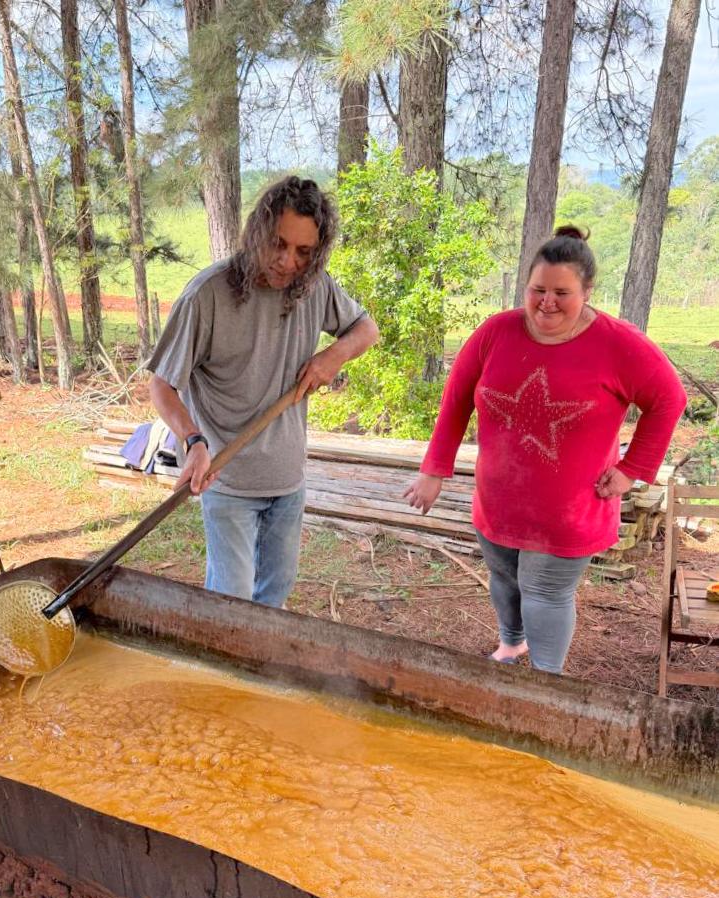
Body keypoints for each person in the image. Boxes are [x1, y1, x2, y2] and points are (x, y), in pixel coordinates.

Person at [404, 226, 687, 674]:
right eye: (538, 289)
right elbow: (456, 398)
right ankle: (512, 644)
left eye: (562, 292)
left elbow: (670, 398)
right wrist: (434, 469)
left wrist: (632, 469)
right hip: (498, 501)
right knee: (505, 580)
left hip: (570, 509)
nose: (547, 302)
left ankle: (546, 682)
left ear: (587, 292)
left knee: (545, 591)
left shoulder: (618, 344)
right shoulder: (496, 332)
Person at [147, 176, 379, 607]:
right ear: (258, 231)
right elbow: (161, 385)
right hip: (227, 476)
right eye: (278, 243)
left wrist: (335, 355)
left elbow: (367, 329)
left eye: (303, 251)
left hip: (287, 479)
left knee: (273, 598)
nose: (287, 262)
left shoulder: (314, 286)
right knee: (230, 604)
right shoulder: (207, 295)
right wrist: (193, 441)